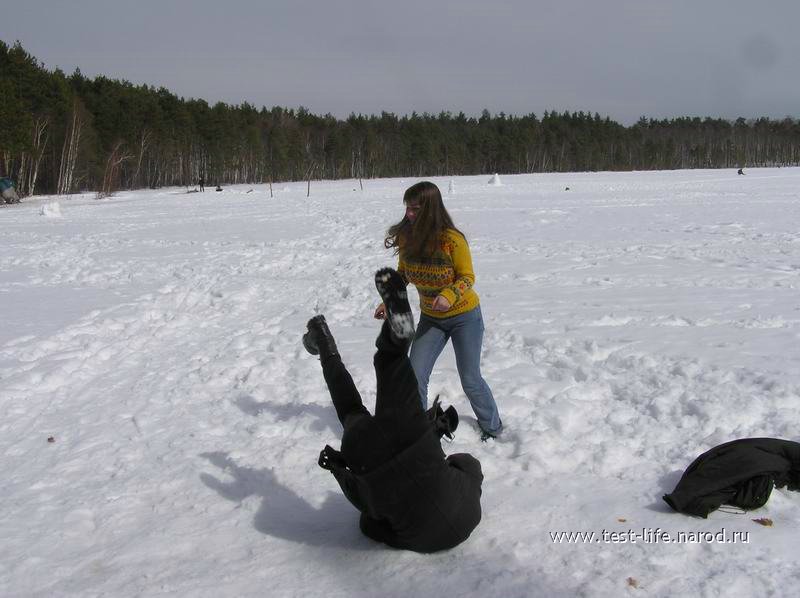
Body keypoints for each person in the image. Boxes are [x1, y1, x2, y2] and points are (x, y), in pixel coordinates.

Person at [303, 268, 483, 553]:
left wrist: (440, 455)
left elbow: (469, 462)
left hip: (414, 435)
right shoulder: (413, 538)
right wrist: (343, 470)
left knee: (391, 361)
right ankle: (323, 341)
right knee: (351, 409)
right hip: (369, 458)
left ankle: (396, 336)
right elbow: (368, 524)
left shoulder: (471, 501)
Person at [375, 181, 503, 441]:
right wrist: (389, 301)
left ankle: (492, 427)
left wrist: (449, 294)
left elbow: (467, 277)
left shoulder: (451, 241)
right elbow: (403, 274)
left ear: (430, 209)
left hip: (464, 317)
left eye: (415, 209)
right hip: (432, 319)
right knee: (415, 374)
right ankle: (420, 432)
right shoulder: (407, 237)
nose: (409, 214)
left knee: (470, 378)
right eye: (407, 208)